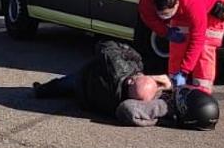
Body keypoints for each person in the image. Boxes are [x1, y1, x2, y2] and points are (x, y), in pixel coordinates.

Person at [137, 0, 224, 93]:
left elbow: (198, 38)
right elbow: (148, 17)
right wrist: (166, 32)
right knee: (178, 44)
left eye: (167, 14)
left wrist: (184, 71)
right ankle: (175, 87)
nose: (164, 17)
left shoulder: (193, 4)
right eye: (161, 14)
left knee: (205, 46)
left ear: (176, 3)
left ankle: (202, 89)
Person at [32, 39, 170, 117]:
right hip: (87, 101)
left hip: (84, 79)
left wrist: (130, 55)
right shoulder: (123, 105)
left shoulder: (118, 68)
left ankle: (40, 90)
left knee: (63, 84)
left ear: (130, 80)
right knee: (66, 87)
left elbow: (105, 46)